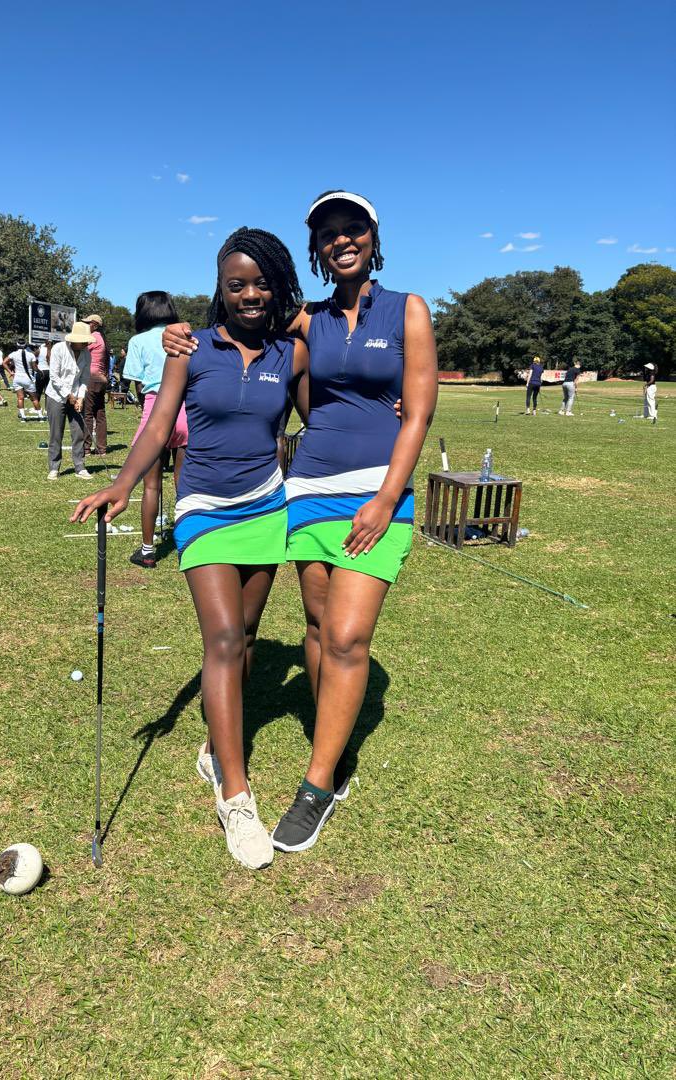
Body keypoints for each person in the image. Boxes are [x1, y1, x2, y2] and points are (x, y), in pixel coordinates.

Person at [164, 190, 437, 855]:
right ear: (317, 250)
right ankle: (322, 744)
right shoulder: (304, 322)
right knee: (316, 628)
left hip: (377, 494)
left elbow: (421, 414)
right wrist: (170, 335)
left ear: (373, 237)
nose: (342, 241)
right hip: (308, 490)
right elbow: (232, 343)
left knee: (346, 635)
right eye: (329, 234)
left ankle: (320, 783)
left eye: (353, 230)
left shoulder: (409, 309)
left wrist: (386, 497)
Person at [73, 228, 310, 870]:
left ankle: (215, 745)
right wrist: (123, 485)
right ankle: (235, 796)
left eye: (261, 282)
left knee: (251, 635)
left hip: (266, 503)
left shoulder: (293, 353)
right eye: (237, 284)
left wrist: (383, 410)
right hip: (202, 504)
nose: (250, 294)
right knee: (225, 639)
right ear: (220, 289)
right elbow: (157, 423)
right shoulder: (190, 349)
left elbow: (322, 418)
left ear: (277, 286)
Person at [123, 292, 189, 568]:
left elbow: (137, 385)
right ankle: (188, 545)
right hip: (185, 410)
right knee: (184, 484)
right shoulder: (183, 335)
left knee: (152, 486)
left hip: (155, 409)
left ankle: (148, 550)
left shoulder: (137, 341)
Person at [45, 323, 94, 480]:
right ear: (74, 340)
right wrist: (68, 395)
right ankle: (54, 467)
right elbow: (54, 376)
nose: (87, 344)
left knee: (79, 431)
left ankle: (79, 467)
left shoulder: (86, 353)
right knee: (56, 433)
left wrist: (80, 397)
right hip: (56, 396)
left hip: (75, 397)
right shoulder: (59, 349)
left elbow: (85, 378)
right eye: (83, 341)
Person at [81, 314, 109, 456]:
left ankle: (86, 448)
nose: (85, 325)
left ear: (95, 325)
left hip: (91, 378)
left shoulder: (93, 338)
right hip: (101, 378)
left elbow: (79, 350)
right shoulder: (102, 339)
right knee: (100, 414)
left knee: (88, 413)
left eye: (88, 323)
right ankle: (102, 448)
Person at [5, 340, 44, 420]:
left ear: (17, 345)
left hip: (17, 378)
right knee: (34, 398)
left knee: (20, 398)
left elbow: (4, 362)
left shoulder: (13, 354)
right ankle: (40, 416)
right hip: (28, 378)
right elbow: (34, 368)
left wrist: (10, 372)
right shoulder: (31, 355)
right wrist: (40, 371)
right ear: (26, 346)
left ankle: (23, 416)